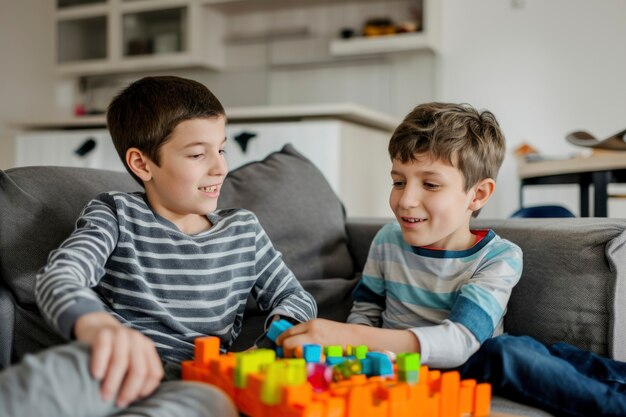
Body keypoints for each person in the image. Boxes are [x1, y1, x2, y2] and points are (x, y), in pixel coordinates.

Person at [277, 102, 626, 417]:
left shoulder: (499, 256)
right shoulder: (386, 241)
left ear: (477, 194)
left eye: (429, 185)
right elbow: (366, 313)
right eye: (398, 182)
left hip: (466, 355)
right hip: (413, 371)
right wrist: (359, 352)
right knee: (510, 352)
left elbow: (460, 341)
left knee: (552, 353)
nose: (406, 200)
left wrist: (349, 336)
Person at [0, 75, 317, 417]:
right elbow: (60, 275)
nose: (220, 167)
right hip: (111, 367)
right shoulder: (117, 213)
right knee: (55, 379)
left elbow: (295, 297)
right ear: (142, 164)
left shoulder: (244, 230)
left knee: (212, 405)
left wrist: (265, 348)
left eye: (222, 149)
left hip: (195, 385)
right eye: (198, 154)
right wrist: (95, 324)